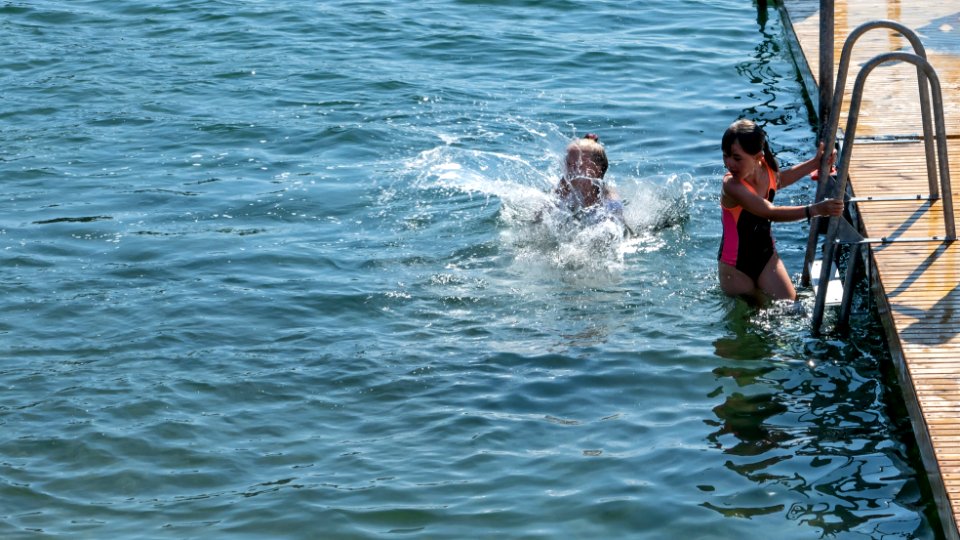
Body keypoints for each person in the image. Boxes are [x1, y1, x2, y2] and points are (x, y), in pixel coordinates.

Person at [717, 119, 844, 303]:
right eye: (725, 156)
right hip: (735, 268)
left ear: (758, 157)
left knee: (792, 307)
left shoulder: (767, 169)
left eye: (737, 158)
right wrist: (815, 210)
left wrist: (815, 163)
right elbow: (770, 212)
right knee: (758, 314)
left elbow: (780, 180)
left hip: (766, 257)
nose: (729, 163)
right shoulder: (731, 185)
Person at [552, 133, 626, 228]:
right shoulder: (563, 188)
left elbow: (620, 228)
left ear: (596, 170)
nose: (571, 171)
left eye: (578, 165)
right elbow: (539, 218)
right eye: (568, 164)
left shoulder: (609, 200)